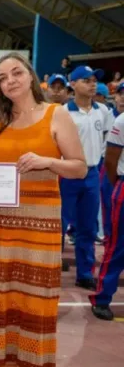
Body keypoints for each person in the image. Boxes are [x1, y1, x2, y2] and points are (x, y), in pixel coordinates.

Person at [0, 53, 86, 367]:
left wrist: (47, 161)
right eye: (3, 77)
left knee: (31, 301)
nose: (10, 81)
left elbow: (79, 167)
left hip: (38, 223)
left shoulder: (56, 114)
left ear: (30, 75)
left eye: (16, 73)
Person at [62, 66, 108, 290]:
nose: (92, 84)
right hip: (67, 173)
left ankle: (85, 272)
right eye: (86, 80)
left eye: (94, 81)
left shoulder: (103, 111)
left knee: (87, 226)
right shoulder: (63, 112)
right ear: (73, 84)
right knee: (58, 225)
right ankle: (50, 268)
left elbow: (105, 140)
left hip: (91, 172)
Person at [95, 89, 124, 321]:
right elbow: (111, 161)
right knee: (117, 246)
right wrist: (118, 187)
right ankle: (102, 298)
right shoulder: (122, 121)